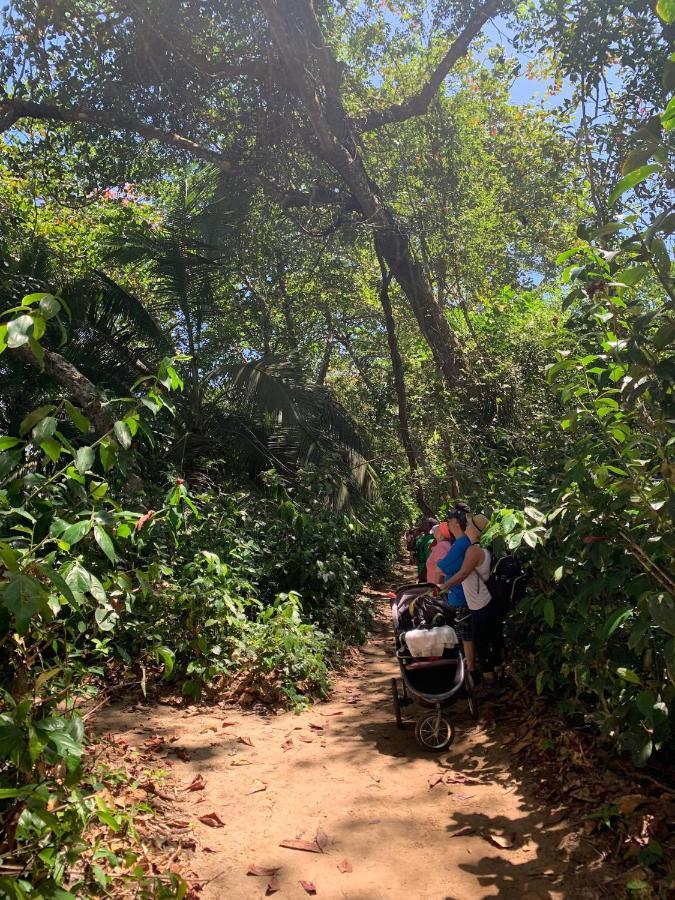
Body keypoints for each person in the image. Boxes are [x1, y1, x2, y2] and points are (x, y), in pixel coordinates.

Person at [438, 514, 504, 693]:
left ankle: (489, 681)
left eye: (469, 524)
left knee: (481, 642)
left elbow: (463, 574)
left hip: (479, 603)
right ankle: (498, 674)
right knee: (492, 638)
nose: (465, 525)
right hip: (487, 601)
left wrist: (443, 587)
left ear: (473, 529)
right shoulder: (485, 548)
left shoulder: (473, 550)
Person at [434, 507, 475, 673]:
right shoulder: (463, 543)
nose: (447, 524)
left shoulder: (460, 545)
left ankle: (468, 671)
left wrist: (439, 587)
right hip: (462, 595)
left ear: (456, 523)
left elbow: (439, 569)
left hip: (460, 597)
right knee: (465, 636)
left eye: (449, 520)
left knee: (464, 637)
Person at [415, 518, 438, 583]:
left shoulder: (431, 541)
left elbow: (429, 560)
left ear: (431, 526)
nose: (422, 525)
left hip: (426, 574)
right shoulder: (424, 538)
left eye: (425, 524)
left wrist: (422, 575)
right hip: (422, 568)